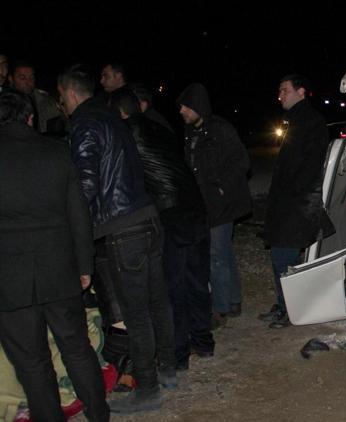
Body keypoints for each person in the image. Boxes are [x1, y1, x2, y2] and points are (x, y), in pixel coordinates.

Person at [58, 64, 175, 413]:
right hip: (148, 218)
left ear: (69, 93)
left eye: (61, 96)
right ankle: (168, 369)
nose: (60, 103)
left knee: (136, 312)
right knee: (158, 301)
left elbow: (87, 186)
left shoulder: (84, 124)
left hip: (124, 229)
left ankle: (149, 389)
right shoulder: (113, 119)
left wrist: (72, 228)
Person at [0, 90, 109, 421]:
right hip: (59, 269)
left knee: (32, 362)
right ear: (30, 118)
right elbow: (78, 213)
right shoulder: (55, 150)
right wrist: (85, 264)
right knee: (76, 347)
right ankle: (98, 413)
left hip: (9, 278)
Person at [109, 89, 215, 370]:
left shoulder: (124, 134)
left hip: (171, 212)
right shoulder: (160, 127)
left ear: (119, 112)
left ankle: (179, 355)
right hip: (195, 207)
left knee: (174, 286)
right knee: (197, 279)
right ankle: (203, 342)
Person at [260, 74, 333, 328]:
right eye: (279, 90)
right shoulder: (294, 120)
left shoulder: (311, 121)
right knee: (281, 258)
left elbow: (310, 166)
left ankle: (291, 310)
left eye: (285, 90)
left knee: (286, 260)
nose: (280, 95)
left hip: (296, 206)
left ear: (301, 91)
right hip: (287, 205)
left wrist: (293, 195)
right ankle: (283, 304)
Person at [177, 83, 252, 329]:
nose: (182, 112)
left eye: (185, 107)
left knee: (216, 256)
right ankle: (233, 300)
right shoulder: (190, 132)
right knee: (224, 253)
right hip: (204, 203)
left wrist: (221, 188)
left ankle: (219, 309)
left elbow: (241, 161)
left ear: (198, 106)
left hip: (222, 204)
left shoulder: (220, 129)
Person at [8, 59, 65, 134]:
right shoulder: (5, 103)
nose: (28, 82)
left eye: (31, 77)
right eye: (22, 78)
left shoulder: (47, 102)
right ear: (11, 79)